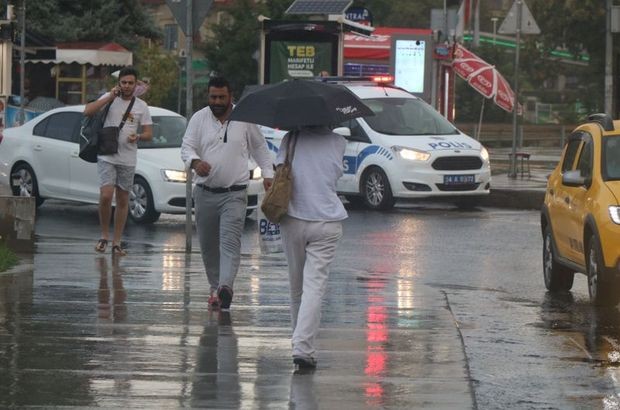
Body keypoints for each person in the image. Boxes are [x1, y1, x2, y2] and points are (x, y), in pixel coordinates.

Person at [181, 76, 274, 311]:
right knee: (209, 246)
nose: (218, 101)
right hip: (204, 192)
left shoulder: (244, 119)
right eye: (213, 97)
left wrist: (268, 173)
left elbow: (260, 147)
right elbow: (187, 147)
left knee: (230, 243)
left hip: (235, 193)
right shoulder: (199, 119)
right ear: (208, 97)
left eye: (222, 97)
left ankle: (226, 287)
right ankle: (215, 288)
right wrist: (194, 162)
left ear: (231, 96)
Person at [276, 125, 347, 369]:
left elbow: (279, 170)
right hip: (327, 221)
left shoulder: (290, 137)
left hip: (293, 218)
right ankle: (303, 347)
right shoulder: (338, 142)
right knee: (314, 287)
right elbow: (335, 174)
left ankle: (300, 345)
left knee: (296, 288)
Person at [84, 66, 153, 256]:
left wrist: (138, 136)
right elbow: (87, 111)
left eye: (131, 83)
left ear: (136, 84)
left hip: (128, 158)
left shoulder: (141, 106)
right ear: (119, 83)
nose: (127, 86)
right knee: (106, 195)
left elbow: (149, 133)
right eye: (124, 82)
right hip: (107, 154)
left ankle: (117, 242)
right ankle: (104, 236)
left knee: (123, 199)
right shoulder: (109, 98)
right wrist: (109, 97)